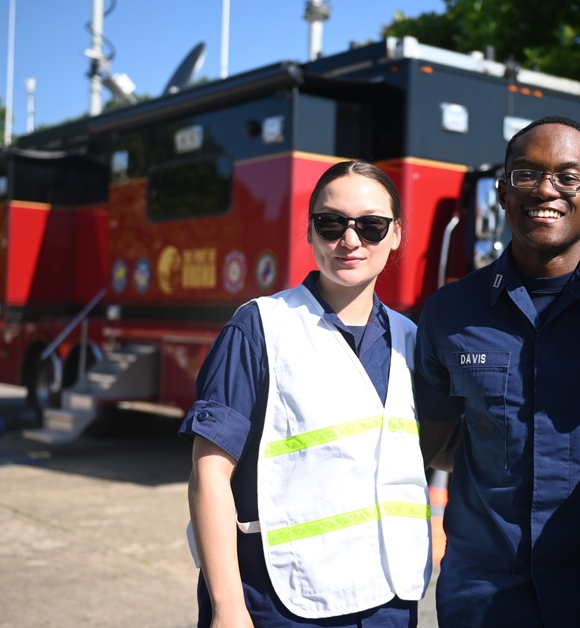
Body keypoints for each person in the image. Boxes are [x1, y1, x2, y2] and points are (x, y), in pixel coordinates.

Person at [414, 116, 580, 626]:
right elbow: (437, 443)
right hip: (485, 596)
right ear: (504, 193)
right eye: (526, 174)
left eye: (569, 177)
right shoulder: (449, 313)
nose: (546, 190)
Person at [180, 160, 432, 628]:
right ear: (311, 231)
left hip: (389, 603)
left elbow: (439, 455)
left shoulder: (413, 341)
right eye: (331, 223)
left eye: (372, 226)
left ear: (396, 234)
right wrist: (227, 607)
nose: (350, 240)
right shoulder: (259, 329)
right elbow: (209, 474)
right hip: (283, 603)